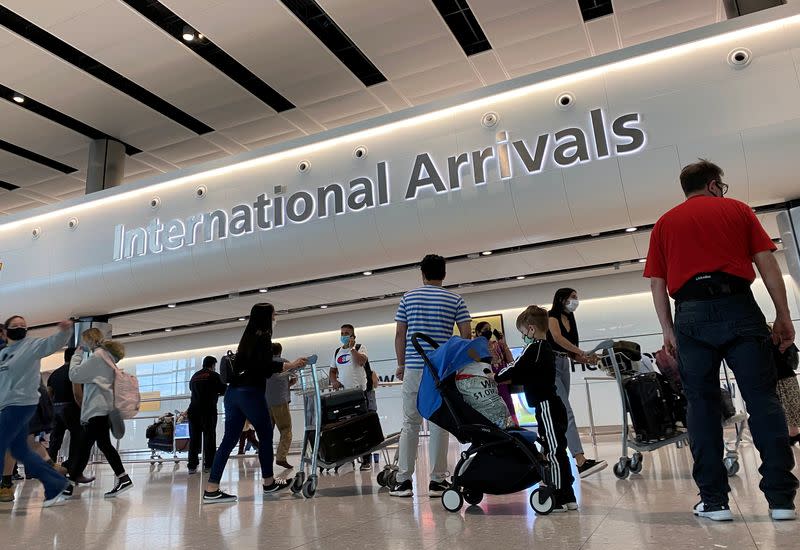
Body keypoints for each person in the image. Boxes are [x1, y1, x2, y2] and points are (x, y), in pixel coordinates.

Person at [644, 159, 798, 521]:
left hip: (691, 314)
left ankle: (714, 502)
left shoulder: (665, 223)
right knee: (763, 399)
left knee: (701, 405)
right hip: (739, 307)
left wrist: (668, 331)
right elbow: (767, 264)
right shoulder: (738, 210)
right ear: (714, 184)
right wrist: (783, 314)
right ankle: (780, 501)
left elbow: (657, 284)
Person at [203, 303, 307, 504]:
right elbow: (265, 368)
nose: (276, 317)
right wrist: (292, 365)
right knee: (266, 434)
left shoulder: (247, 337)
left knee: (228, 441)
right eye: (274, 314)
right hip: (250, 393)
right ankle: (268, 483)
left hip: (233, 394)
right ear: (267, 317)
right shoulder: (263, 338)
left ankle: (211, 488)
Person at [390, 254, 472, 498]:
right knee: (439, 423)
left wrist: (401, 364)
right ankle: (437, 481)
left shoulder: (408, 298)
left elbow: (400, 335)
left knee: (410, 423)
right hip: (441, 370)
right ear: (444, 274)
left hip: (414, 368)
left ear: (422, 274)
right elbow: (465, 336)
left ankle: (403, 481)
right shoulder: (456, 299)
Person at [496, 306, 576, 512]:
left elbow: (516, 368)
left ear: (530, 330)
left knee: (552, 450)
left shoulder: (534, 349)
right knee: (557, 449)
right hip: (551, 404)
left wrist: (495, 376)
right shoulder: (545, 350)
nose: (523, 337)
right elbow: (526, 373)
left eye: (523, 333)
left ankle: (557, 494)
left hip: (546, 406)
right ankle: (567, 495)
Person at [0, 315, 72, 507]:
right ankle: (55, 483)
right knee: (20, 450)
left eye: (23, 326)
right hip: (7, 405)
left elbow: (51, 343)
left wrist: (64, 331)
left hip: (22, 403)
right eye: (15, 326)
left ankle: (52, 482)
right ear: (6, 331)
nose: (20, 328)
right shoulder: (4, 354)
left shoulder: (31, 346)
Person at [547, 288, 607, 478]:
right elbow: (557, 338)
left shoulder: (571, 319)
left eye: (577, 297)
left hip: (565, 363)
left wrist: (589, 358)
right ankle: (580, 461)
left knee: (560, 414)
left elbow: (572, 352)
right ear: (562, 298)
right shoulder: (551, 316)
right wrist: (581, 352)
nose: (576, 301)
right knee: (566, 412)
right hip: (550, 364)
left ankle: (546, 455)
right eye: (573, 297)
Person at [65, 334, 133, 498]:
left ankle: (68, 485)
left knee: (84, 447)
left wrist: (77, 355)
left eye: (83, 341)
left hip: (97, 409)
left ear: (89, 340)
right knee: (101, 445)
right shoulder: (108, 358)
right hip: (103, 408)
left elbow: (74, 375)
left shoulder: (97, 357)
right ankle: (123, 478)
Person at [330, 323, 375, 470]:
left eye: (347, 333)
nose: (344, 336)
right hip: (344, 395)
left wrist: (352, 348)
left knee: (363, 426)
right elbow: (332, 371)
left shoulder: (360, 347)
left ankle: (366, 459)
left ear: (353, 335)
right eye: (342, 333)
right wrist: (334, 381)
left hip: (359, 392)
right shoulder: (337, 352)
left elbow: (361, 361)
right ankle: (349, 458)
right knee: (347, 426)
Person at [474, 321, 518, 426]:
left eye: (490, 329)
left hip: (502, 380)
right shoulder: (473, 347)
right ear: (478, 332)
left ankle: (514, 430)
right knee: (492, 408)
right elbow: (476, 364)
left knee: (508, 405)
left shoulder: (497, 344)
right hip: (487, 383)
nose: (489, 332)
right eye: (485, 330)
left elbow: (511, 361)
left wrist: (503, 344)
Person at [187, 355, 226, 474]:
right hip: (208, 411)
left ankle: (192, 466)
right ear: (213, 365)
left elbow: (191, 389)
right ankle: (209, 465)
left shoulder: (194, 376)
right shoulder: (214, 376)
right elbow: (224, 389)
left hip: (193, 411)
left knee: (194, 439)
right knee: (209, 437)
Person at [266, 342, 294, 470]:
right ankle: (281, 457)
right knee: (286, 429)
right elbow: (294, 378)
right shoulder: (284, 362)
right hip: (280, 402)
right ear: (280, 351)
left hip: (265, 403)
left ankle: (265, 459)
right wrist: (286, 385)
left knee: (266, 432)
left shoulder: (264, 364)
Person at [771, 335, 800, 445]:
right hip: (779, 378)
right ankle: (793, 433)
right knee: (787, 407)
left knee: (793, 405)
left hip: (785, 377)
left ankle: (794, 433)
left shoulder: (783, 342)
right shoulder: (781, 342)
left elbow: (793, 361)